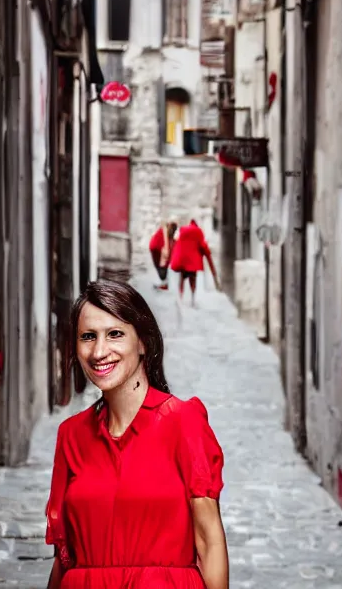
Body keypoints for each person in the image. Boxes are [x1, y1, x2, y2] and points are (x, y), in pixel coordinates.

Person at [46, 280, 228, 589]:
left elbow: (209, 542)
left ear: (143, 342)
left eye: (115, 334)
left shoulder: (184, 422)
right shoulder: (71, 435)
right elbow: (64, 559)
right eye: (88, 337)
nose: (99, 351)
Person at [170, 219, 221, 307]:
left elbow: (177, 244)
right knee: (192, 279)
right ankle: (192, 299)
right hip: (192, 262)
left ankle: (180, 298)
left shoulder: (183, 231)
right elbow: (203, 245)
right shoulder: (198, 231)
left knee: (182, 278)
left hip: (182, 260)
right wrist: (208, 255)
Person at [148, 218, 178, 290]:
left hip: (163, 259)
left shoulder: (168, 236)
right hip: (162, 258)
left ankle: (164, 284)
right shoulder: (165, 235)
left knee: (163, 271)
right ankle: (164, 283)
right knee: (163, 271)